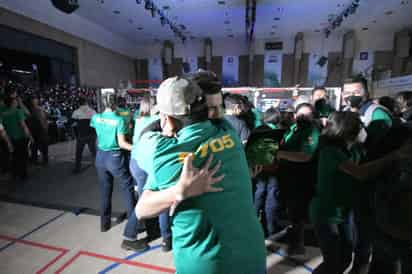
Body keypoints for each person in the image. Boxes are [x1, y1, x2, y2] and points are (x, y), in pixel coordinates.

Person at [135, 77, 266, 274]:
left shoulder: (163, 153)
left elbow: (141, 211)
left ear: (167, 119)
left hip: (207, 263)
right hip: (253, 254)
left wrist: (179, 191)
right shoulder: (228, 130)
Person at [310, 111, 412, 274]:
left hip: (344, 213)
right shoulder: (330, 152)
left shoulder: (354, 150)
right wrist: (396, 155)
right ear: (347, 130)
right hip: (327, 213)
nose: (363, 130)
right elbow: (360, 173)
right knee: (333, 262)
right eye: (360, 126)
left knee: (344, 258)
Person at [342, 75, 393, 273]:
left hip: (374, 184)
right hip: (352, 181)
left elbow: (379, 150)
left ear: (367, 92)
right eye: (347, 92)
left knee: (370, 235)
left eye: (356, 92)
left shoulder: (377, 113)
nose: (351, 96)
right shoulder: (346, 113)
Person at [90, 93, 147, 251]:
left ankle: (104, 224)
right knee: (127, 188)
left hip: (100, 157)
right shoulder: (119, 120)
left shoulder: (96, 117)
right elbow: (122, 143)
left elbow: (98, 136)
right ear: (115, 104)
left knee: (104, 190)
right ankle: (133, 223)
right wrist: (137, 148)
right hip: (115, 158)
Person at [276, 102, 320, 255]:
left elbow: (306, 156)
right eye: (300, 114)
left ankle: (298, 244)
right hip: (286, 176)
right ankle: (294, 241)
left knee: (298, 212)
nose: (303, 117)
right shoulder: (293, 129)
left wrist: (280, 154)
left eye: (307, 115)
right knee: (292, 211)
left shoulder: (312, 131)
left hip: (301, 178)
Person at [129, 95, 172, 251]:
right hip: (148, 162)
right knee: (161, 200)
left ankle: (148, 230)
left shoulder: (139, 119)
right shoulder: (157, 120)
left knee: (145, 199)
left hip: (135, 163)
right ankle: (166, 239)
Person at [1, 97, 33, 181]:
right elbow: (23, 125)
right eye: (15, 101)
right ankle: (23, 174)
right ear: (12, 103)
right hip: (20, 137)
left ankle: (15, 173)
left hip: (10, 138)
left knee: (15, 156)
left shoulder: (3, 114)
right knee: (23, 156)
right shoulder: (18, 112)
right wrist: (29, 135)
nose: (16, 103)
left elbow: (3, 128)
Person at [72, 97, 96, 173]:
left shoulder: (76, 112)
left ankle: (77, 168)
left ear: (79, 103)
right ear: (86, 102)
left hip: (81, 135)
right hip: (91, 134)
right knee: (93, 151)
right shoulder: (92, 111)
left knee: (79, 152)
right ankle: (100, 165)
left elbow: (73, 123)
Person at [28, 95, 49, 165]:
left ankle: (45, 159)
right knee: (34, 145)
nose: (35, 101)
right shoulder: (30, 109)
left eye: (35, 99)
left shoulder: (40, 108)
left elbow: (45, 118)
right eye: (33, 100)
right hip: (34, 130)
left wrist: (45, 127)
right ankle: (35, 159)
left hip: (41, 129)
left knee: (43, 145)